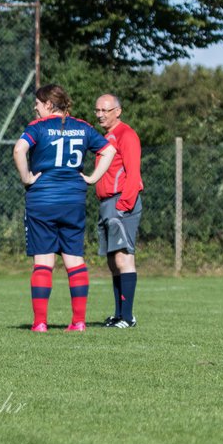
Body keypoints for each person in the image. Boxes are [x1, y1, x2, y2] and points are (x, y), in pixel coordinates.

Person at [13, 84, 116, 333]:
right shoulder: (82, 127)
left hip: (43, 200)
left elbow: (19, 149)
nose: (35, 108)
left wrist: (26, 177)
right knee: (74, 260)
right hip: (73, 200)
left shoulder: (37, 127)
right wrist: (92, 178)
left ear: (49, 104)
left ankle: (40, 323)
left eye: (37, 103)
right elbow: (109, 149)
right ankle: (79, 321)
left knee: (43, 261)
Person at [93, 93, 142, 328]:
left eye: (105, 110)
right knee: (113, 262)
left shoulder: (126, 134)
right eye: (98, 111)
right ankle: (119, 314)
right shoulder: (108, 137)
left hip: (121, 203)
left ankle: (128, 316)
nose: (100, 114)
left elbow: (133, 174)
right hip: (107, 205)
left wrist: (124, 205)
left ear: (118, 111)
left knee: (124, 258)